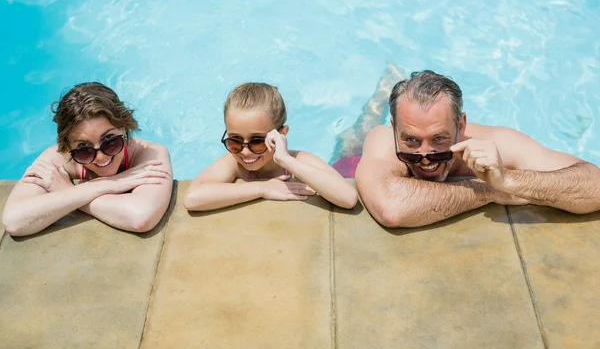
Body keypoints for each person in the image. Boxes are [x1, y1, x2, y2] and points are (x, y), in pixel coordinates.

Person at [355, 70, 600, 228]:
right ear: (395, 128)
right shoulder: (383, 140)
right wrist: (491, 190)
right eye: (411, 140)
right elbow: (393, 209)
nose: (424, 156)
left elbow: (594, 186)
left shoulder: (499, 142)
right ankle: (377, 100)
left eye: (440, 139)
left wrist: (508, 179)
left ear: (461, 126)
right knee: (351, 141)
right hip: (357, 157)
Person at [2, 82, 173, 236]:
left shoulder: (150, 154)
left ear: (123, 127)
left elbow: (141, 218)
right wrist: (110, 184)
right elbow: (15, 221)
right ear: (67, 147)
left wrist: (66, 191)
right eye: (84, 149)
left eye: (110, 141)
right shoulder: (56, 161)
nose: (101, 156)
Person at [184, 82, 358, 211]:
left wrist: (286, 160)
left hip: (344, 159)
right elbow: (193, 198)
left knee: (354, 141)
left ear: (282, 134)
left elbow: (348, 197)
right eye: (235, 141)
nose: (245, 151)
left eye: (257, 141)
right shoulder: (233, 163)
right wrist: (263, 188)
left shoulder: (299, 160)